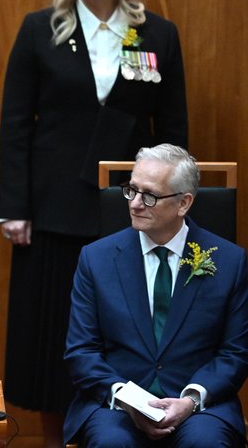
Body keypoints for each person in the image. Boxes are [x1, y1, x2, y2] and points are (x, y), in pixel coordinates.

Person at [0, 0, 188, 442]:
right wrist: (14, 207)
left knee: (128, 329)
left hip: (134, 209)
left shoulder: (158, 33)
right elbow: (15, 123)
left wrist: (173, 205)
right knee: (53, 340)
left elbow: (174, 129)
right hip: (53, 209)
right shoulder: (39, 28)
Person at [63, 144, 248, 446]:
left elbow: (235, 353)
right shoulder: (96, 259)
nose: (135, 204)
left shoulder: (229, 262)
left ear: (184, 203)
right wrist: (128, 398)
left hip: (200, 406)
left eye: (149, 195)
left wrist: (191, 400)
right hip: (116, 403)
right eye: (131, 190)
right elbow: (81, 350)